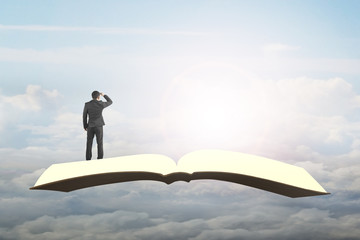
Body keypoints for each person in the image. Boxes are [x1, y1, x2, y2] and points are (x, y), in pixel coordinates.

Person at [83, 91, 113, 160]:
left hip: (90, 126)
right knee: (99, 143)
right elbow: (110, 101)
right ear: (98, 97)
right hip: (99, 125)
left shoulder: (87, 104)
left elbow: (84, 116)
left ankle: (88, 159)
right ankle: (100, 159)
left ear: (92, 96)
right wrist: (104, 95)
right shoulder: (101, 104)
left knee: (89, 143)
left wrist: (85, 126)